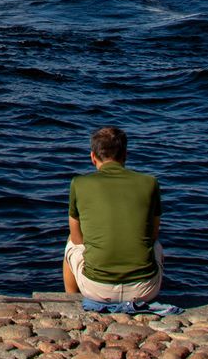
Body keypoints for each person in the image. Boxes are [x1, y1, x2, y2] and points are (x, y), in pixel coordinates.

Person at [62, 127, 164, 304]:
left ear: (92, 157)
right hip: (145, 290)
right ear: (125, 154)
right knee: (156, 244)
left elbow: (77, 239)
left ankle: (72, 300)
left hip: (96, 289)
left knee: (71, 241)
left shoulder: (79, 184)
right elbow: (154, 234)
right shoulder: (150, 183)